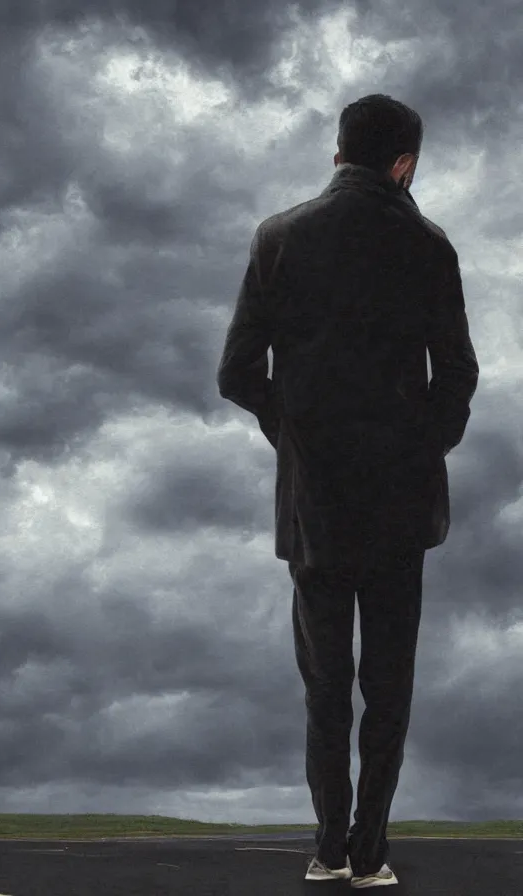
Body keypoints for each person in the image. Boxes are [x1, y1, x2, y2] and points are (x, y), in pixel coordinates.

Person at [216, 94, 479, 888]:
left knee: (326, 686)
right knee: (387, 691)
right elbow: (459, 375)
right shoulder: (431, 246)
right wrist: (419, 443)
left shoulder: (279, 238)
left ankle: (328, 850)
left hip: (316, 505)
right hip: (401, 506)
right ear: (405, 165)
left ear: (337, 157)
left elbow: (237, 374)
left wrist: (291, 432)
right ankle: (371, 858)